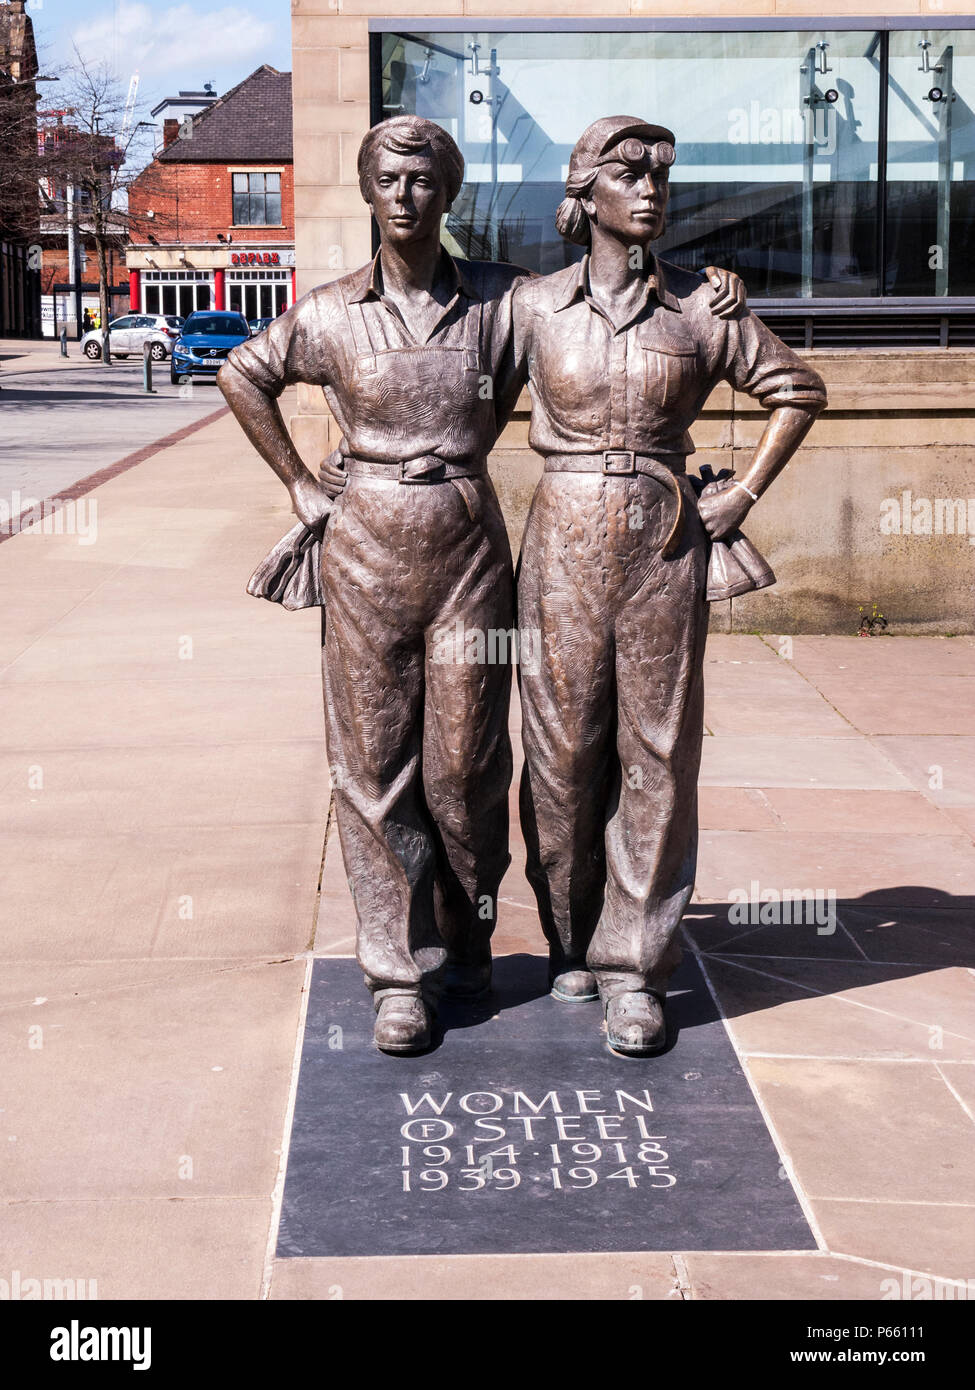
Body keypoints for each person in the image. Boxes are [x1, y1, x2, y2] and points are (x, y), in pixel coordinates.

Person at [217, 115, 745, 1056]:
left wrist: (705, 290)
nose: (406, 195)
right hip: (365, 543)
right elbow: (243, 373)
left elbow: (601, 304)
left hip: (466, 548)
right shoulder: (332, 310)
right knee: (373, 768)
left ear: (449, 193)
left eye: (425, 179)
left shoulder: (506, 300)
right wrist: (303, 484)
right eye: (388, 177)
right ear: (368, 188)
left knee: (466, 767)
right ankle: (398, 973)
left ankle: (468, 942)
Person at [512, 117, 828, 1056]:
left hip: (662, 543)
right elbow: (451, 389)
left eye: (660, 176)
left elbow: (795, 390)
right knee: (562, 753)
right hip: (559, 540)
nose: (650, 190)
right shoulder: (531, 306)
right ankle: (569, 935)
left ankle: (635, 965)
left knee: (657, 752)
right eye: (628, 174)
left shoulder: (702, 309)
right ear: (584, 195)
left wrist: (744, 492)